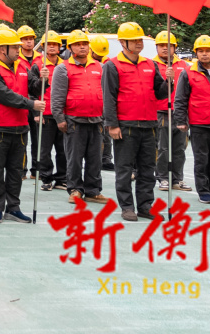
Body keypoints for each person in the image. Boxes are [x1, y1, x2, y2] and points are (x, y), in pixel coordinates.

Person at [102, 22, 169, 221]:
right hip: (126, 125)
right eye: (134, 40)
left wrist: (169, 82)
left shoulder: (151, 64)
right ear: (123, 42)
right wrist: (112, 124)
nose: (139, 43)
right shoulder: (112, 65)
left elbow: (160, 93)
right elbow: (109, 96)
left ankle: (145, 206)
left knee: (147, 169)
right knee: (124, 169)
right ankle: (127, 206)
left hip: (149, 124)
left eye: (140, 40)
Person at [0, 28, 44, 224]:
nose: (19, 50)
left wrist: (44, 79)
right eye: (15, 47)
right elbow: (4, 95)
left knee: (16, 171)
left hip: (19, 128)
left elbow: (33, 88)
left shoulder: (22, 68)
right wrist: (31, 104)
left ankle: (14, 207)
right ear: (1, 49)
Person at [50, 30, 109, 204]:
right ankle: (75, 189)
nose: (82, 47)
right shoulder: (63, 68)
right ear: (70, 48)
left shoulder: (100, 67)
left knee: (95, 158)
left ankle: (93, 190)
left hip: (97, 120)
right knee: (74, 158)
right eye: (77, 44)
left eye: (84, 44)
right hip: (74, 121)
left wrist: (107, 117)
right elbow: (57, 96)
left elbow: (107, 93)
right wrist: (60, 119)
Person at [174, 35, 210, 204]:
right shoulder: (188, 73)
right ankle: (204, 191)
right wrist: (181, 120)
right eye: (201, 51)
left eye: (208, 51)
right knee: (202, 160)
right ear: (196, 54)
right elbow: (180, 99)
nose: (204, 54)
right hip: (199, 124)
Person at [153, 30, 191, 192]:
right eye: (161, 45)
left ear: (174, 48)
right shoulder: (152, 64)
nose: (164, 48)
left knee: (179, 148)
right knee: (162, 148)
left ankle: (177, 178)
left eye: (168, 45)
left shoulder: (184, 66)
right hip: (161, 112)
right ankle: (162, 178)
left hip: (180, 112)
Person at [34, 32, 67, 191]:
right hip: (44, 113)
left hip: (61, 113)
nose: (52, 46)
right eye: (49, 44)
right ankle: (46, 178)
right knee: (44, 150)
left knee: (63, 149)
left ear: (60, 47)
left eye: (55, 44)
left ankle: (61, 178)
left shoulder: (66, 64)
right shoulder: (37, 64)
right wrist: (35, 113)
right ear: (43, 46)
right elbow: (31, 90)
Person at [14, 25, 41, 181]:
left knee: (37, 139)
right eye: (25, 39)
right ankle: (22, 170)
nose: (28, 42)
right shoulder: (16, 58)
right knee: (22, 139)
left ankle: (36, 170)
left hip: (37, 102)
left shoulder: (40, 57)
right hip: (23, 101)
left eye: (30, 39)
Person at [90, 33, 115, 173]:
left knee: (106, 133)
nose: (99, 56)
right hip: (93, 103)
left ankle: (106, 159)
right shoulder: (86, 62)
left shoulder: (107, 62)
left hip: (104, 102)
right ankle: (95, 158)